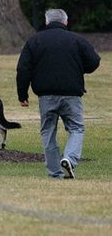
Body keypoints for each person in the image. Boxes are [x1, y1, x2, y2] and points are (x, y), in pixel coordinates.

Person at [16, 9, 100, 179]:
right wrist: (78, 69)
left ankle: (55, 173)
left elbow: (23, 69)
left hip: (46, 95)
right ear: (65, 22)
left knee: (48, 131)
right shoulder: (76, 40)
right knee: (76, 128)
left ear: (46, 22)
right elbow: (94, 61)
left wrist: (22, 95)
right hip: (71, 94)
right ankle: (69, 158)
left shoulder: (35, 41)